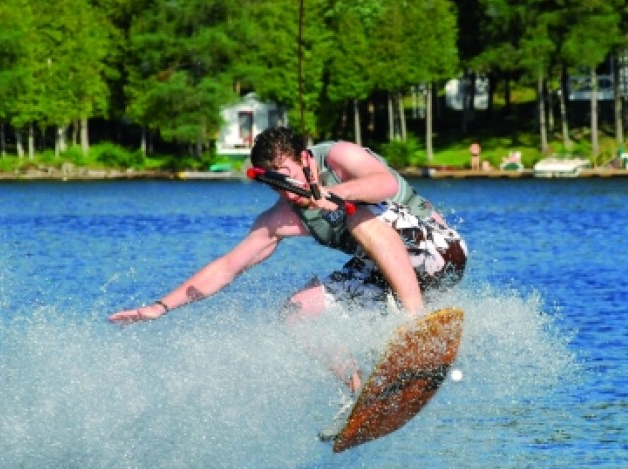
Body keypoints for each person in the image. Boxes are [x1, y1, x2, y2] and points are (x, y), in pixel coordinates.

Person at [109, 127, 467, 399]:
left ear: (305, 159)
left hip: (439, 253)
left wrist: (335, 195)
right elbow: (227, 267)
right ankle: (361, 392)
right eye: (275, 183)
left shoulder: (338, 156)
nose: (286, 189)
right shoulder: (282, 215)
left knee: (357, 216)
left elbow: (385, 183)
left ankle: (415, 322)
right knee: (294, 312)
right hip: (383, 274)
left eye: (287, 173)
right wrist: (160, 307)